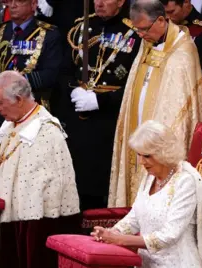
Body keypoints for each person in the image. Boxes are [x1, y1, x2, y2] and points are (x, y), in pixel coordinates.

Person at [0, 71, 80, 268]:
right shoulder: (16, 122)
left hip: (31, 230)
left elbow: (35, 194)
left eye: (0, 103)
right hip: (7, 223)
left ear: (19, 100)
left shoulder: (46, 133)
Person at [108, 0, 202, 207]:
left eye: (144, 29)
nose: (141, 35)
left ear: (161, 20)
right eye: (137, 30)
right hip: (137, 129)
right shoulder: (147, 45)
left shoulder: (183, 51)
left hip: (159, 137)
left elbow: (177, 110)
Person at [91, 120, 202, 268]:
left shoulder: (185, 182)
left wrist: (121, 240)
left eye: (147, 156)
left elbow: (169, 235)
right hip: (146, 265)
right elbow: (135, 216)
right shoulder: (149, 177)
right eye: (139, 155)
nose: (141, 162)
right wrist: (111, 232)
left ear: (164, 152)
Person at [58, 0, 141, 211]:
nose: (99, 3)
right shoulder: (82, 27)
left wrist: (101, 100)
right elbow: (65, 70)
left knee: (100, 187)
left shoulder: (134, 33)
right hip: (78, 117)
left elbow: (137, 83)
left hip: (109, 120)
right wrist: (73, 89)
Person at [0, 0, 62, 153]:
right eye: (10, 1)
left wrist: (14, 84)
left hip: (28, 115)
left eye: (20, 1)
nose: (13, 5)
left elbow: (51, 74)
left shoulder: (48, 34)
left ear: (34, 4)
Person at [160, 0, 202, 90]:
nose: (168, 17)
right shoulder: (165, 26)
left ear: (186, 2)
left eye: (171, 12)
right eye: (165, 13)